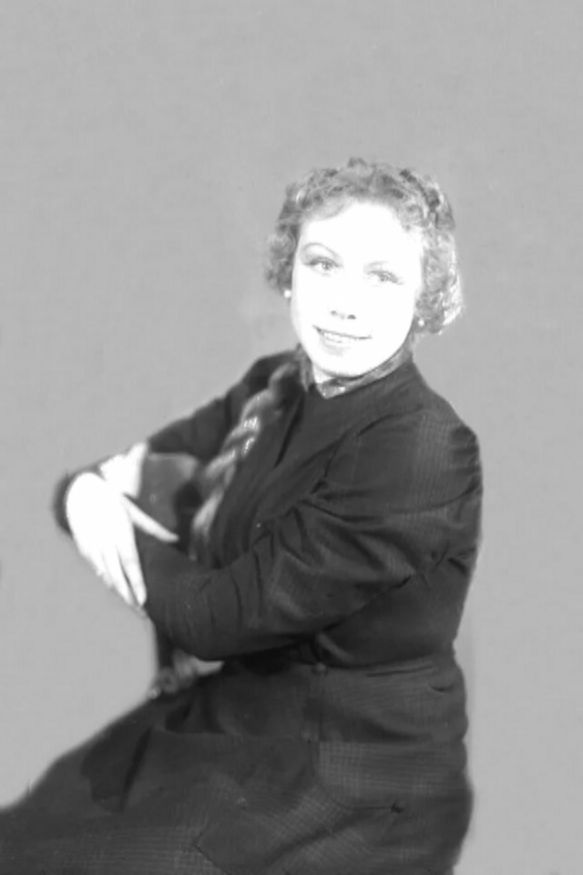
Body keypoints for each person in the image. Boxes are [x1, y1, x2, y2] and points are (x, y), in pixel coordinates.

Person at [0, 158, 483, 874]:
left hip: (353, 768)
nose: (344, 303)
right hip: (236, 716)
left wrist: (107, 516)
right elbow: (155, 469)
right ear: (290, 274)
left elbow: (217, 618)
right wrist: (83, 492)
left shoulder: (421, 448)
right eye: (323, 264)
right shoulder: (276, 386)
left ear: (424, 299)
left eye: (381, 277)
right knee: (25, 839)